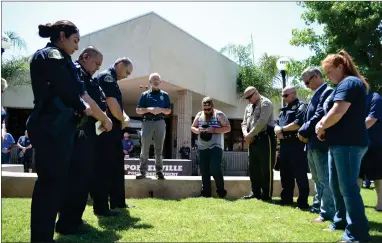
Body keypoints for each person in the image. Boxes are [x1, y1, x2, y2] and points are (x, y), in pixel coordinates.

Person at [26, 20, 92, 243]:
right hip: (51, 126)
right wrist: (83, 106)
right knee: (50, 185)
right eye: (75, 41)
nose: (76, 47)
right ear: (62, 36)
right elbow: (67, 88)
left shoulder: (63, 58)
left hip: (62, 127)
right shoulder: (49, 55)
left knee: (57, 185)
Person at [55, 46, 114, 235]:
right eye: (96, 63)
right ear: (85, 57)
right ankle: (68, 223)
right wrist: (104, 119)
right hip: (78, 131)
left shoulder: (88, 77)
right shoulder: (76, 72)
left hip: (89, 131)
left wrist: (101, 118)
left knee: (83, 177)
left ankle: (74, 219)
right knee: (77, 177)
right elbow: (84, 99)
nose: (97, 67)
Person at [316, 50, 371, 242]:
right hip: (339, 143)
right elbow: (334, 111)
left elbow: (338, 111)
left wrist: (322, 125)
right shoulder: (345, 84)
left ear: (341, 67)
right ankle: (340, 222)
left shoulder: (349, 83)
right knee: (336, 186)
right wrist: (323, 126)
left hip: (349, 144)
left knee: (348, 187)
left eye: (330, 72)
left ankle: (357, 233)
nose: (328, 77)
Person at [95, 57, 132, 213]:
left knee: (116, 167)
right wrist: (122, 118)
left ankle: (118, 203)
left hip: (114, 130)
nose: (127, 75)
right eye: (127, 71)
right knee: (105, 168)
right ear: (120, 64)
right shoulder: (107, 77)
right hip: (106, 130)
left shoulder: (113, 80)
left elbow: (118, 105)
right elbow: (111, 102)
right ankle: (102, 207)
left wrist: (125, 117)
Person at [298, 67, 335, 221]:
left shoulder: (327, 91)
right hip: (312, 143)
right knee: (317, 178)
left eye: (308, 82)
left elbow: (319, 114)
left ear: (317, 75)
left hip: (320, 143)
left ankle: (327, 212)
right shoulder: (316, 93)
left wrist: (303, 131)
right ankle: (318, 206)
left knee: (324, 178)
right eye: (304, 83)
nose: (307, 85)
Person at [274, 86, 310, 210]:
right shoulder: (284, 109)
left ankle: (303, 202)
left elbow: (298, 123)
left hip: (296, 145)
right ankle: (286, 199)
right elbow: (277, 123)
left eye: (285, 95)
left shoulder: (301, 107)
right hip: (284, 145)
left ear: (293, 94)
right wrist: (276, 129)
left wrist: (282, 129)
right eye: (282, 95)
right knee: (285, 174)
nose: (283, 98)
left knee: (300, 174)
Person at [241, 86, 276, 201]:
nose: (249, 100)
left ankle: (266, 194)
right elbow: (244, 123)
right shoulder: (248, 107)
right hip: (252, 140)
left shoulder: (266, 103)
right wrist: (246, 134)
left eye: (250, 97)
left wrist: (249, 135)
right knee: (253, 168)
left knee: (266, 168)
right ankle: (255, 192)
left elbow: (261, 122)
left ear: (256, 93)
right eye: (247, 98)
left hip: (265, 138)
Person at [191, 97, 230, 198]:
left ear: (212, 106)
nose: (207, 111)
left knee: (215, 168)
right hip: (202, 147)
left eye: (209, 109)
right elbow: (192, 127)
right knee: (204, 171)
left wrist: (213, 130)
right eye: (205, 109)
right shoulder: (199, 115)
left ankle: (221, 191)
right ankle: (206, 194)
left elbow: (228, 128)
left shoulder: (219, 114)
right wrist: (198, 130)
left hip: (215, 146)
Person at [135, 73, 171, 180]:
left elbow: (168, 110)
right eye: (153, 79)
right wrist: (148, 109)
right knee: (145, 148)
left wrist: (161, 110)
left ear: (160, 82)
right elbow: (138, 110)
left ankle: (159, 171)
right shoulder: (145, 95)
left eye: (157, 79)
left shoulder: (165, 95)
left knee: (159, 148)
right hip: (147, 122)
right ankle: (142, 172)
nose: (156, 81)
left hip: (160, 122)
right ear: (150, 82)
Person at [358, 91, 382, 212]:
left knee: (378, 176)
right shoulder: (354, 98)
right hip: (357, 143)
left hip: (374, 144)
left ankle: (380, 203)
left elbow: (372, 119)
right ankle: (356, 204)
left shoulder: (375, 98)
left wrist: (354, 130)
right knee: (357, 175)